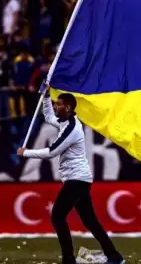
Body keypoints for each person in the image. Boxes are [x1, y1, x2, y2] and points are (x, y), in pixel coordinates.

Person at [17, 84, 123, 264]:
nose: (55, 106)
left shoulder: (72, 129)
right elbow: (49, 117)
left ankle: (68, 259)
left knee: (57, 217)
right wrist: (46, 97)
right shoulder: (65, 122)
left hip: (76, 179)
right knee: (90, 221)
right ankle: (114, 256)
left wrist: (26, 153)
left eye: (58, 104)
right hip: (80, 179)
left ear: (67, 107)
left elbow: (52, 152)